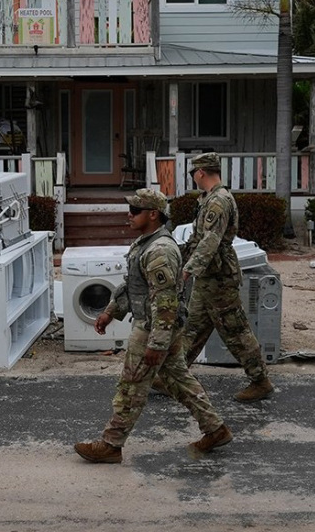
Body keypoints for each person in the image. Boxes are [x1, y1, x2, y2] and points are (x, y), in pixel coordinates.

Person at [74, 188, 232, 463]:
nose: (129, 215)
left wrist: (156, 343)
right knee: (178, 381)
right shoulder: (146, 243)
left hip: (153, 328)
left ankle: (111, 445)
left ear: (153, 214)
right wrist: (111, 311)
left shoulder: (159, 250)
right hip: (160, 326)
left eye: (135, 211)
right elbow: (135, 286)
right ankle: (215, 428)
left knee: (131, 386)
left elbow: (165, 301)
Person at [180, 152, 275, 403]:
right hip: (208, 277)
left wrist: (189, 268)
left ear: (201, 173)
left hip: (219, 277)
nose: (193, 178)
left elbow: (210, 242)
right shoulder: (209, 198)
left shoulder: (218, 202)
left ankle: (260, 380)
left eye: (193, 173)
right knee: (193, 327)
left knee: (235, 330)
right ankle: (174, 374)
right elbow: (197, 239)